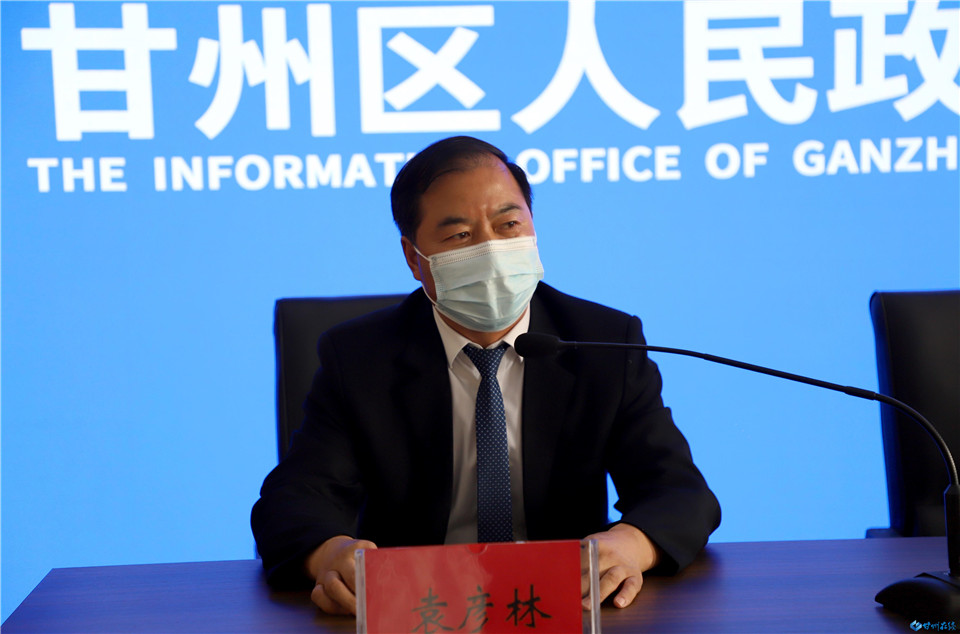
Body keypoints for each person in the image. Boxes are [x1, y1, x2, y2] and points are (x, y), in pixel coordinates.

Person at [251, 136, 720, 616]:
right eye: (460, 235)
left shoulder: (603, 343)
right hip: (419, 608)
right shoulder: (359, 358)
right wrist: (331, 554)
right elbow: (294, 500)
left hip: (562, 605)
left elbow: (679, 492)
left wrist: (632, 544)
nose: (492, 250)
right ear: (414, 258)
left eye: (508, 224)